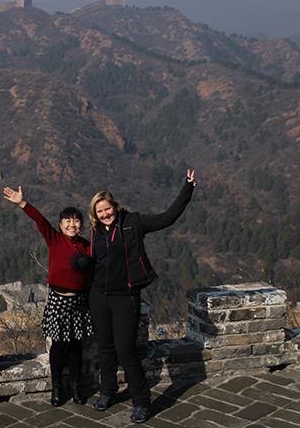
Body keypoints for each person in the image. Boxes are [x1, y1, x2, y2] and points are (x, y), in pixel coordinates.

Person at [88, 169, 197, 423]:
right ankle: (108, 391)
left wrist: (187, 188)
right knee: (104, 347)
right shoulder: (95, 231)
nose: (105, 214)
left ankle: (142, 402)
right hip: (98, 296)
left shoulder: (133, 222)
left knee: (126, 351)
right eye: (99, 211)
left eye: (107, 209)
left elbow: (167, 217)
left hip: (125, 296)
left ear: (115, 207)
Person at [4, 186, 93, 407]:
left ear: (82, 224)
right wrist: (23, 203)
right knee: (58, 345)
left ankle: (75, 387)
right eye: (67, 222)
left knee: (75, 345)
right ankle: (57, 388)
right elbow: (41, 221)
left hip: (80, 302)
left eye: (76, 221)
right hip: (58, 300)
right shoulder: (55, 240)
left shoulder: (87, 246)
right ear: (61, 225)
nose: (72, 225)